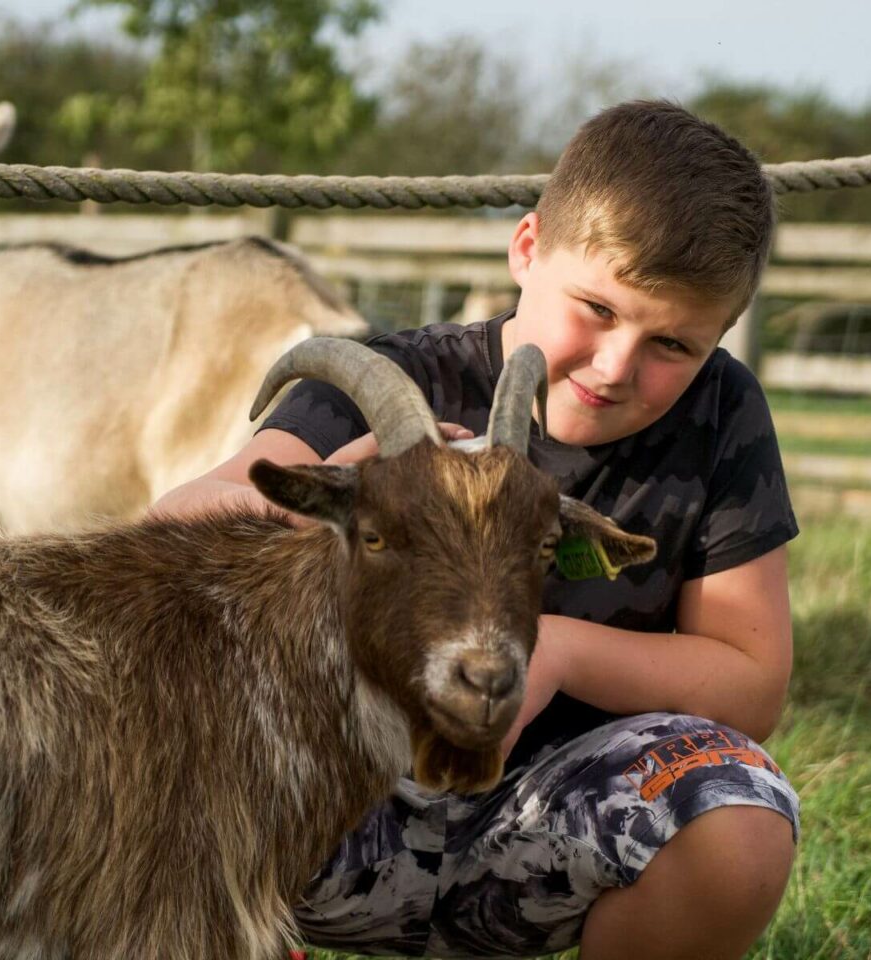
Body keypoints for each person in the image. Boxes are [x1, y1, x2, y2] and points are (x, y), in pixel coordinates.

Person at [149, 100, 799, 959]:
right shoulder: (393, 381)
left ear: (719, 336)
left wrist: (555, 651)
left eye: (673, 345)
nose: (616, 367)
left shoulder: (720, 414)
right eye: (597, 309)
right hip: (330, 809)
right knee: (141, 739)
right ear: (527, 247)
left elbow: (751, 683)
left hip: (540, 816)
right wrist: (347, 484)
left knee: (739, 815)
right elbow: (166, 534)